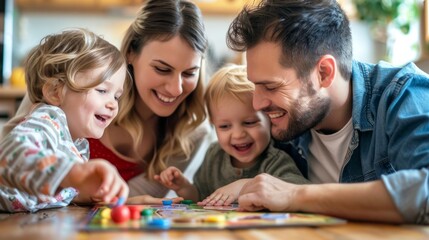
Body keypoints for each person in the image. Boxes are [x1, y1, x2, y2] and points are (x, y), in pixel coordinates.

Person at [226, 0, 429, 224]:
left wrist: (294, 194)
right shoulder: (284, 122)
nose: (257, 103)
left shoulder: (403, 94)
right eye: (255, 85)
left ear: (324, 73)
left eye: (271, 87)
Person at [1, 0, 213, 201]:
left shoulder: (192, 133)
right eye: (162, 69)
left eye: (189, 73)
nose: (176, 88)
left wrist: (117, 200)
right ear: (131, 53)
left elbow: (85, 197)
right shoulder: (71, 85)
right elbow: (9, 156)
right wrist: (73, 174)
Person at [0, 28, 129, 212]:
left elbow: (58, 190)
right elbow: (9, 155)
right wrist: (73, 173)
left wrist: (95, 194)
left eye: (116, 96)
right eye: (102, 91)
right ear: (55, 92)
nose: (112, 104)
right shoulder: (48, 119)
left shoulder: (77, 143)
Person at [154, 64, 309, 205]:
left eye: (249, 122)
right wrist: (183, 187)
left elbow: (303, 191)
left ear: (269, 120)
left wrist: (246, 185)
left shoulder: (275, 160)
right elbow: (201, 197)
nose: (238, 134)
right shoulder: (214, 156)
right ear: (213, 125)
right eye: (224, 126)